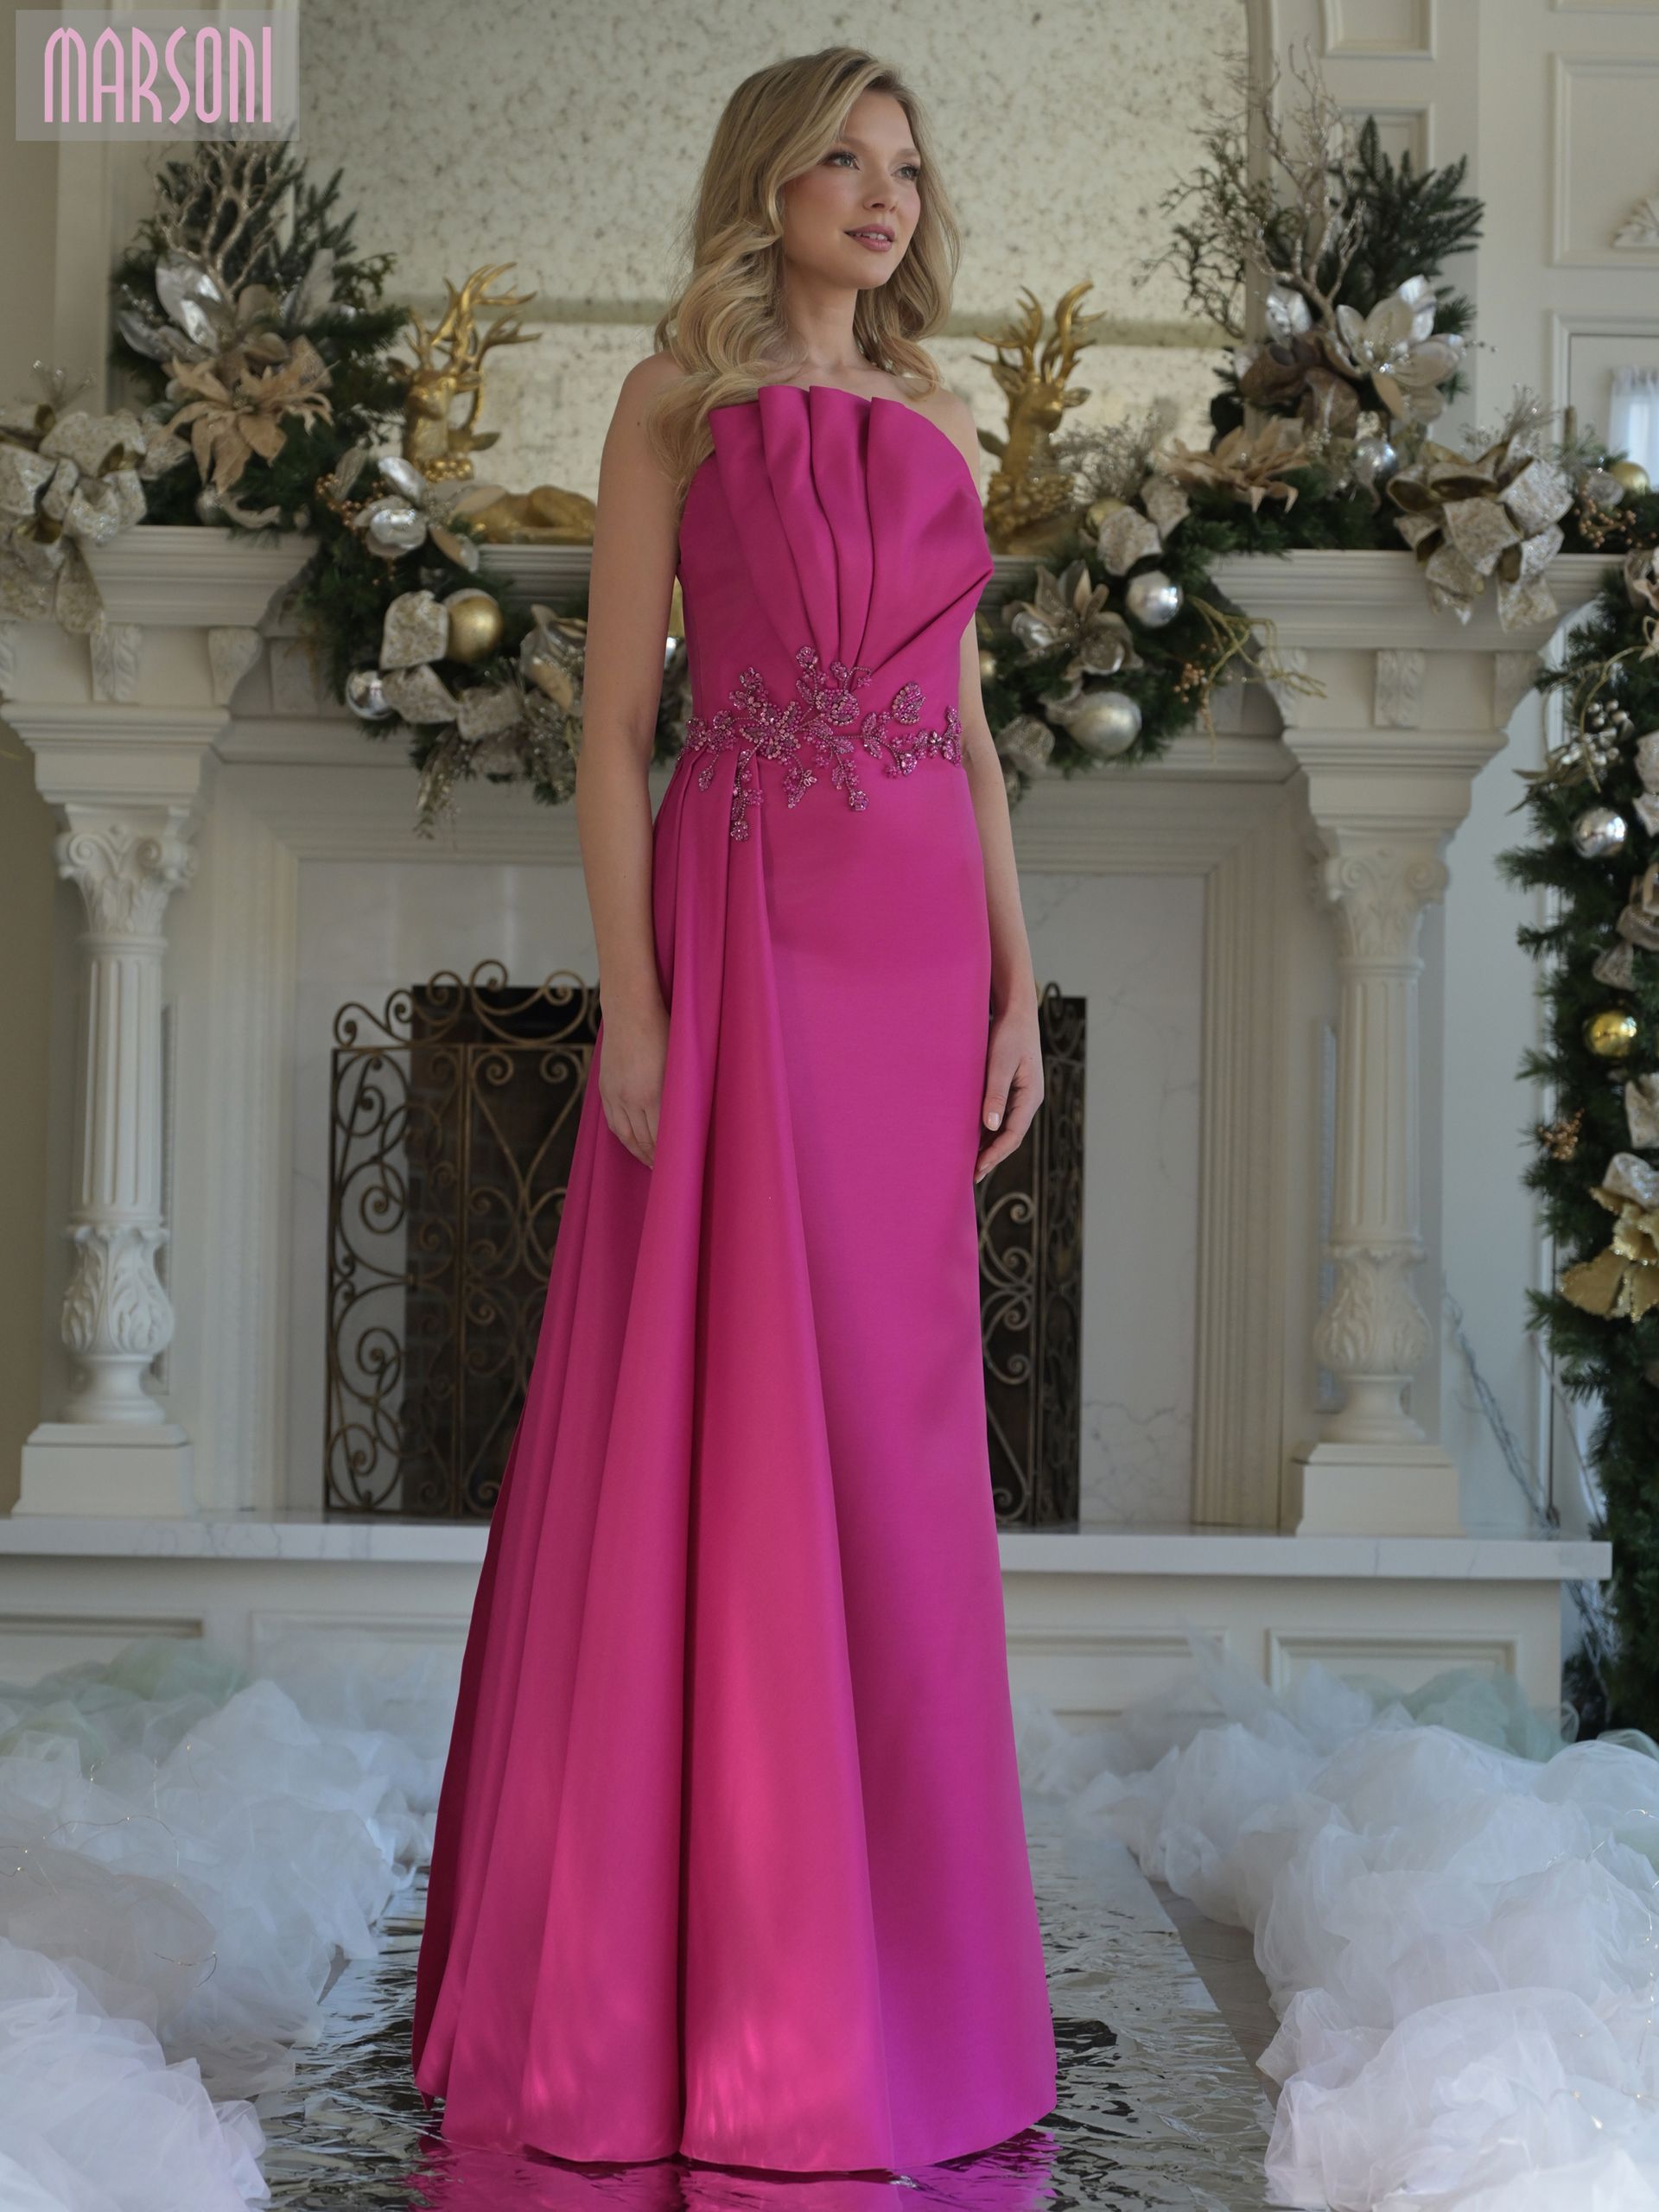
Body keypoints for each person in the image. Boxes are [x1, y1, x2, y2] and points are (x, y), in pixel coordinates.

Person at [410, 43, 1058, 2176]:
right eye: (841, 159)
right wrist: (641, 1007)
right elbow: (611, 734)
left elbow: (967, 740)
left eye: (906, 162)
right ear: (765, 183)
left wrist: (1017, 984)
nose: (883, 192)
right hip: (753, 925)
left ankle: (902, 1999)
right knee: (729, 1415)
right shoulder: (674, 397)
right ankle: (706, 1990)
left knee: (889, 1435)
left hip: (909, 955)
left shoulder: (937, 413)